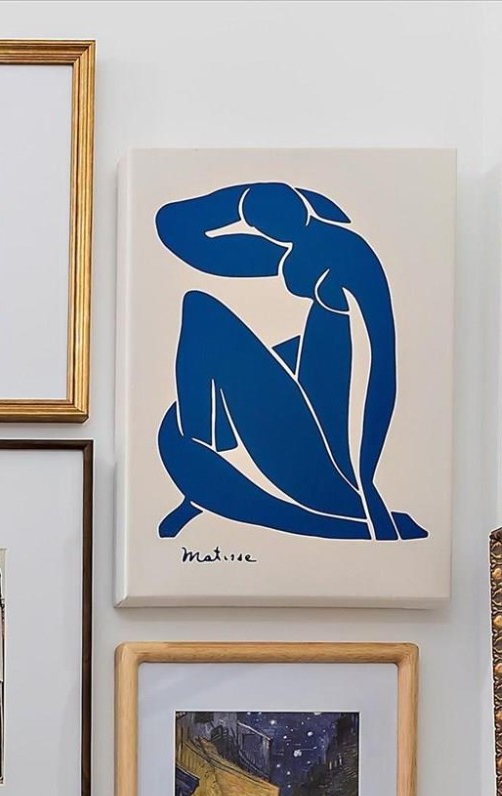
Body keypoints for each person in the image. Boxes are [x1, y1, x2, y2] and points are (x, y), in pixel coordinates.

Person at [151, 180, 426, 545]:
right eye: (257, 227)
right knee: (244, 350)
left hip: (321, 461)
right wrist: (245, 200)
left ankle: (205, 458)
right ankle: (207, 469)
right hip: (313, 419)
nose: (267, 239)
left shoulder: (347, 261)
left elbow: (380, 370)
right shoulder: (301, 245)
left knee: (201, 312)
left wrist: (364, 483)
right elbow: (180, 230)